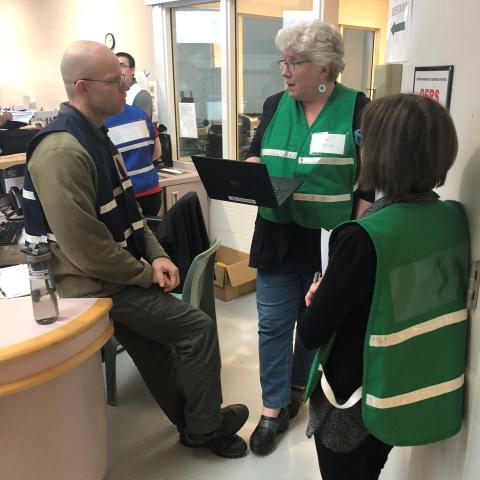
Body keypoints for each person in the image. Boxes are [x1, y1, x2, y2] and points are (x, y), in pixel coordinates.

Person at [22, 40, 249, 459]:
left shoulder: (96, 138)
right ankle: (205, 424)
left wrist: (157, 253)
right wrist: (145, 274)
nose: (127, 85)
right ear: (83, 86)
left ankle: (195, 425)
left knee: (158, 345)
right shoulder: (62, 151)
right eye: (117, 79)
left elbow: (131, 213)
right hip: (90, 285)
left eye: (125, 77)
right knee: (195, 328)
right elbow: (87, 250)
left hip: (113, 274)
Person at [298, 94, 469, 479]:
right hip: (402, 387)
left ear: (382, 153)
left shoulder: (363, 236)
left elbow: (311, 333)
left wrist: (316, 301)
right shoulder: (451, 218)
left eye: (362, 137)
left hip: (351, 398)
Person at [245, 20, 372, 455]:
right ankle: (271, 409)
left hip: (328, 239)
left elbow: (369, 180)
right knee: (273, 324)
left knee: (314, 323)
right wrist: (248, 171)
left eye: (295, 62)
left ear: (325, 68)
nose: (285, 70)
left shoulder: (358, 107)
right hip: (277, 233)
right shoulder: (274, 103)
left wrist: (353, 238)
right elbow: (253, 152)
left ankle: (299, 386)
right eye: (284, 60)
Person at [105, 103, 163, 215]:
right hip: (150, 193)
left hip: (123, 196)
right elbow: (157, 153)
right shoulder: (141, 114)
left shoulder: (100, 120)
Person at [116, 51, 153, 118]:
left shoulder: (141, 95)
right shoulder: (112, 91)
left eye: (122, 66)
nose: (117, 69)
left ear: (132, 70)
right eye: (115, 65)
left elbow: (142, 125)